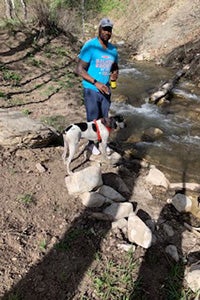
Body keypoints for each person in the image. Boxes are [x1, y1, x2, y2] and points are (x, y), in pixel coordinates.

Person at [75, 17, 119, 155]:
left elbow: (115, 67)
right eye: (105, 29)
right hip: (91, 89)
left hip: (106, 89)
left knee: (105, 118)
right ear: (99, 29)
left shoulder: (113, 50)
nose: (107, 32)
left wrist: (115, 74)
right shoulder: (90, 46)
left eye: (109, 30)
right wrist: (96, 82)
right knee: (93, 118)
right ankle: (90, 144)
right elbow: (79, 69)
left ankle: (103, 142)